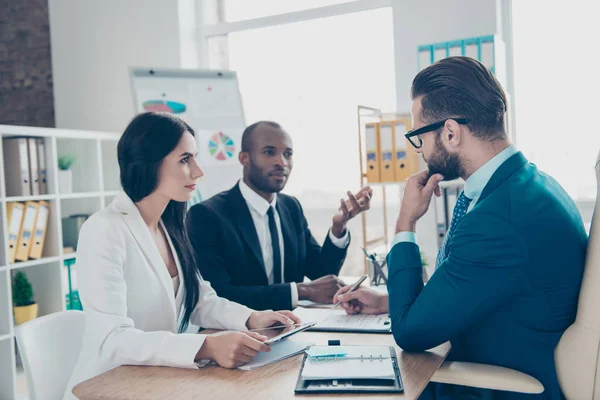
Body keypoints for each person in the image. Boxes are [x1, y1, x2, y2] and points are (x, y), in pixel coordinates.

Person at [334, 57, 587, 399]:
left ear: (451, 132)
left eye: (418, 136)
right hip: (502, 357)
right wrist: (387, 301)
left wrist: (405, 221)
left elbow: (409, 333)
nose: (419, 149)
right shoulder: (526, 186)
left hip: (497, 385)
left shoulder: (499, 217)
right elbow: (482, 286)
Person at [64, 112, 300, 400]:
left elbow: (201, 301)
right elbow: (112, 339)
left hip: (157, 380)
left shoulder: (170, 225)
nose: (198, 171)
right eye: (185, 159)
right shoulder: (104, 229)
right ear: (150, 163)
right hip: (108, 386)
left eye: (195, 158)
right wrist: (205, 346)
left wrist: (252, 318)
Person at [187, 121, 373, 310]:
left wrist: (338, 228)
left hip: (293, 327)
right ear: (244, 158)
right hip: (234, 332)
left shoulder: (290, 207)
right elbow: (218, 295)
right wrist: (300, 291)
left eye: (287, 154)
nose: (281, 162)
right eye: (269, 152)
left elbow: (322, 275)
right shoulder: (207, 215)